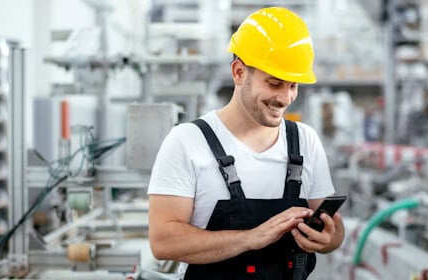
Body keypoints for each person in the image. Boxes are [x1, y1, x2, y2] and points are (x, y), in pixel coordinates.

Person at [147, 6, 345, 280]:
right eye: (275, 84)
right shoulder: (187, 142)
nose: (286, 98)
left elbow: (334, 230)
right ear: (239, 72)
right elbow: (163, 242)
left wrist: (328, 239)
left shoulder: (305, 141)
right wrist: (251, 238)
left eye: (293, 86)